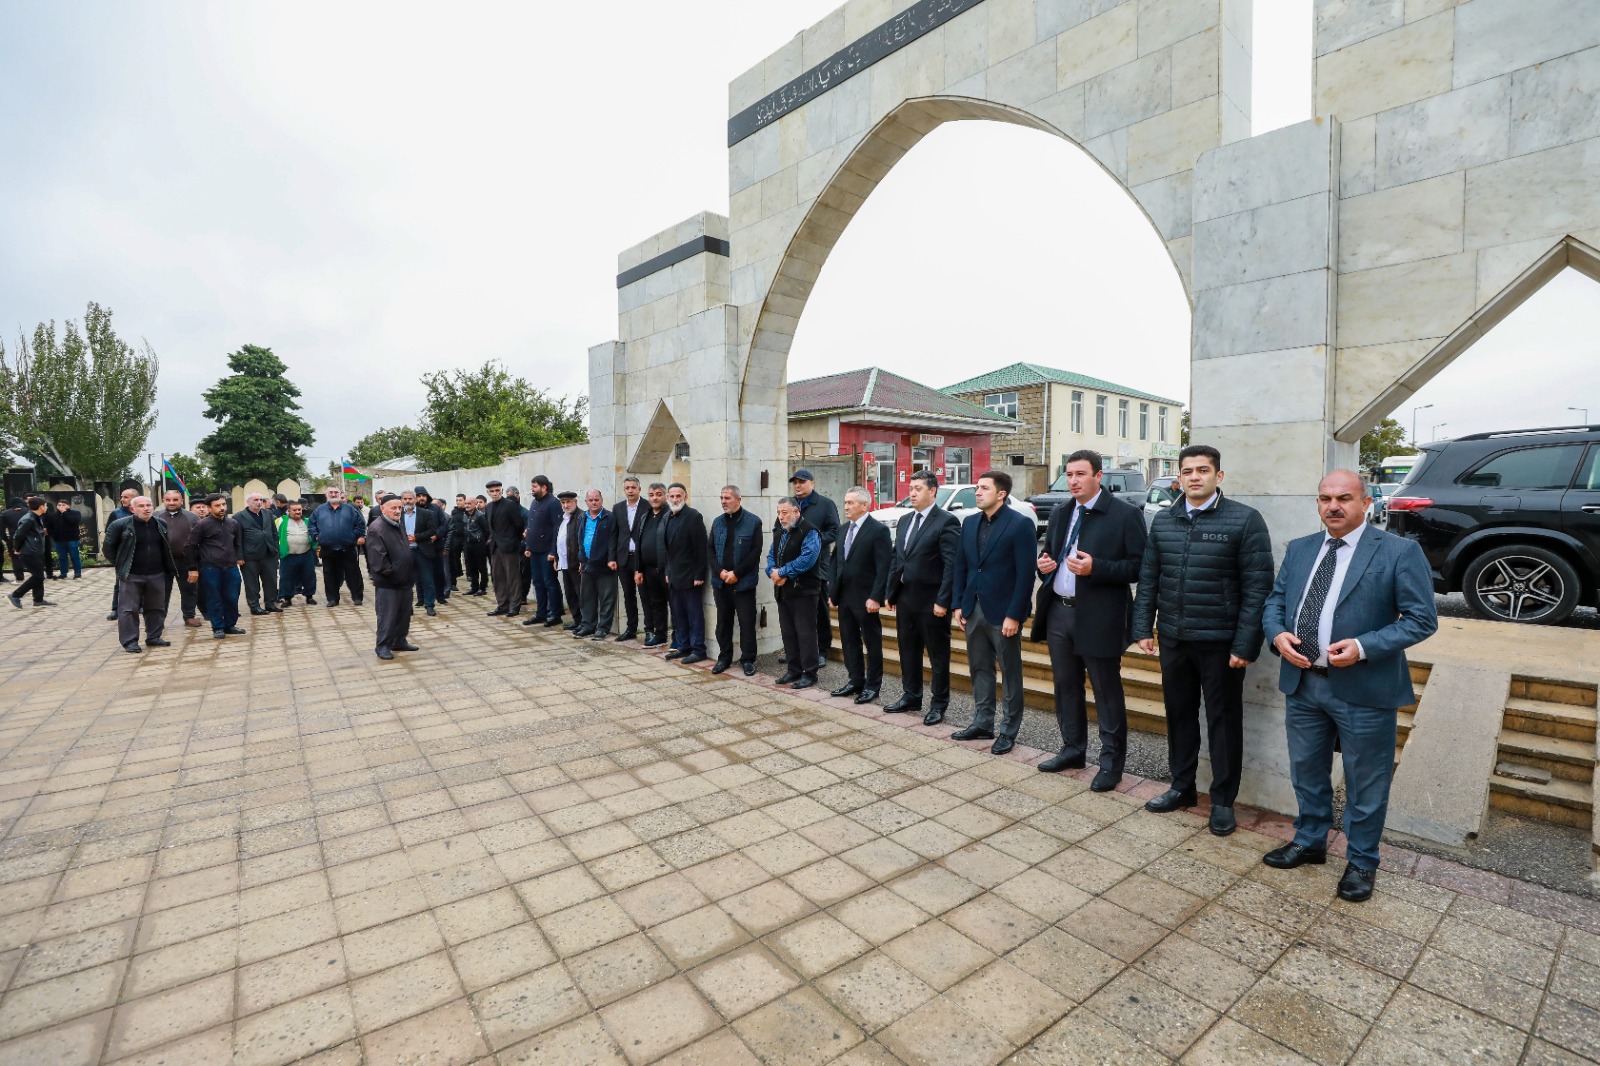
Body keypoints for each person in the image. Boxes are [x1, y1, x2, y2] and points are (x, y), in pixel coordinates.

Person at [1261, 471, 1438, 901]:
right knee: (1307, 772)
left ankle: (1362, 862)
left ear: (1365, 503)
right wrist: (1278, 635)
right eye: (1325, 498)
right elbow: (1276, 602)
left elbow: (1422, 619)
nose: (1333, 506)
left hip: (1365, 688)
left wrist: (1362, 646)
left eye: (1344, 498)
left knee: (1366, 783)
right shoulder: (1301, 549)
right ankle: (1310, 841)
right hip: (1304, 683)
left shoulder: (1398, 552)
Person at [1132, 444, 1275, 837]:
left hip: (1220, 643)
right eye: (1187, 471)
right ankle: (1182, 787)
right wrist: (1142, 627)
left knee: (1223, 722)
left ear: (1218, 476)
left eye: (1203, 470)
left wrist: (1245, 645)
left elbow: (1258, 588)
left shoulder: (1244, 520)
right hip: (1174, 639)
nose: (1194, 477)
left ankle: (1223, 801)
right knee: (1179, 715)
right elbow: (1149, 577)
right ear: (1178, 477)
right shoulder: (1164, 521)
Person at [1032, 450, 1148, 790]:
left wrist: (1097, 567)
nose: (1073, 481)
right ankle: (1073, 750)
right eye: (1069, 474)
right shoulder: (1061, 512)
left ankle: (1111, 764)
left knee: (1105, 691)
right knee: (1065, 686)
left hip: (1100, 616)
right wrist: (1044, 566)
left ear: (1099, 476)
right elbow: (1052, 554)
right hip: (1059, 612)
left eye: (1080, 474)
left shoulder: (1125, 514)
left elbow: (1140, 567)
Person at [949, 471, 1037, 754]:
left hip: (1003, 613)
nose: (977, 492)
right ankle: (982, 722)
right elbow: (961, 566)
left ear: (1001, 494)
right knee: (979, 668)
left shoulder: (1020, 524)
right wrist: (958, 604)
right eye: (977, 487)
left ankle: (1008, 731)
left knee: (1010, 673)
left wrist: (1015, 614)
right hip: (973, 608)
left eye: (984, 488)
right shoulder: (970, 522)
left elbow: (1026, 574)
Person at [885, 471, 960, 725]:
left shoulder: (946, 521)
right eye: (911, 489)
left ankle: (938, 704)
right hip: (906, 598)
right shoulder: (905, 520)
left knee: (938, 656)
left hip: (932, 601)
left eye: (918, 488)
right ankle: (911, 695)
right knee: (908, 650)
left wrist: (943, 600)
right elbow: (897, 558)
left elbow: (951, 565)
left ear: (933, 491)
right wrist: (890, 592)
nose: (912, 493)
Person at [829, 486, 892, 704]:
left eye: (851, 503)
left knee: (872, 643)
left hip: (866, 599)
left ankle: (873, 686)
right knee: (848, 641)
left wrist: (876, 596)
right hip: (845, 597)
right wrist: (833, 592)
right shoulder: (843, 529)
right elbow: (836, 562)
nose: (846, 506)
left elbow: (883, 567)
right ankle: (855, 680)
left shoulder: (878, 531)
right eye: (845, 502)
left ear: (865, 506)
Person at [102, 495, 177, 652]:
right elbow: (108, 548)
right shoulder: (120, 525)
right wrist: (121, 564)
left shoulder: (160, 524)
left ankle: (154, 637)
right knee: (128, 609)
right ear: (132, 509)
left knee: (156, 607)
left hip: (156, 574)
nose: (146, 509)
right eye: (141, 506)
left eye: (148, 505)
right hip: (131, 575)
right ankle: (130, 641)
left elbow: (165, 547)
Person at [767, 496, 822, 689]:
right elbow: (771, 555)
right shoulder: (780, 531)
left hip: (804, 591)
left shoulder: (810, 531)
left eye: (784, 513)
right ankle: (793, 669)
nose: (781, 517)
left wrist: (782, 572)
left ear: (796, 512)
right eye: (778, 513)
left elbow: (808, 558)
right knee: (788, 632)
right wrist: (773, 573)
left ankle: (810, 673)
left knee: (806, 633)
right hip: (783, 590)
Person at [709, 484, 762, 676]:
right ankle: (724, 657)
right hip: (721, 583)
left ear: (739, 500)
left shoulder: (753, 522)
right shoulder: (717, 522)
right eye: (721, 498)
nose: (723, 502)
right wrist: (721, 572)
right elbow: (710, 551)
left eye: (727, 498)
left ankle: (748, 660)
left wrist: (736, 573)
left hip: (743, 583)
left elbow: (755, 552)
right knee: (723, 622)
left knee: (747, 623)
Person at [790, 470, 839, 671]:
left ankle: (822, 651)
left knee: (819, 610)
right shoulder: (790, 504)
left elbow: (834, 531)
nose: (797, 486)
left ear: (812, 483)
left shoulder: (825, 504)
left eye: (802, 482)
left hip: (818, 567)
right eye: (795, 482)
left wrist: (812, 542)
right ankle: (797, 651)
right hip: (793, 567)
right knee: (795, 611)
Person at [365, 493, 419, 660]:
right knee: (387, 616)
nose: (397, 511)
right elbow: (378, 560)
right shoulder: (376, 528)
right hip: (389, 583)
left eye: (399, 508)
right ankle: (382, 646)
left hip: (405, 581)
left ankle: (399, 641)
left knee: (403, 615)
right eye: (393, 508)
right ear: (383, 509)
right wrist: (393, 574)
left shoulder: (398, 524)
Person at [189, 493, 247, 639]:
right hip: (210, 568)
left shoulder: (233, 523)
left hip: (231, 567)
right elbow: (189, 546)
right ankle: (218, 627)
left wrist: (238, 557)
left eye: (223, 504)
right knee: (214, 598)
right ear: (209, 508)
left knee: (232, 597)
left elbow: (237, 543)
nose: (222, 508)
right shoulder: (202, 525)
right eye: (217, 505)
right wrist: (193, 568)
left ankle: (230, 625)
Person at [661, 483, 708, 662]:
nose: (675, 499)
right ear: (667, 498)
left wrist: (699, 575)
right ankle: (683, 646)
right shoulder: (667, 516)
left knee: (694, 615)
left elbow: (701, 548)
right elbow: (667, 549)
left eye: (678, 496)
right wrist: (667, 571)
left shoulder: (694, 517)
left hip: (690, 576)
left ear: (685, 497)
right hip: (673, 576)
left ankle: (698, 650)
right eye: (672, 496)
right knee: (678, 614)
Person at [308, 487, 366, 607]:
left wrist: (352, 536)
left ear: (340, 494)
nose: (333, 494)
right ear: (326, 494)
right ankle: (332, 599)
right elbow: (312, 525)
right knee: (329, 574)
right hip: (328, 548)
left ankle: (357, 597)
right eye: (331, 492)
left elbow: (360, 525)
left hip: (347, 547)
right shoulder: (319, 510)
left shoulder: (350, 509)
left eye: (336, 492)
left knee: (353, 573)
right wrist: (317, 537)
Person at [574, 489, 617, 640]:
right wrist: (581, 559)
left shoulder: (609, 517)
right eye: (591, 500)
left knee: (606, 599)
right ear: (586, 502)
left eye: (596, 499)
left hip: (605, 565)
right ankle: (588, 626)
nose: (594, 502)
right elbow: (580, 539)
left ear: (602, 500)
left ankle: (603, 629)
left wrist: (611, 559)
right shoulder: (582, 517)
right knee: (587, 598)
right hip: (587, 564)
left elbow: (613, 540)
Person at [609, 476, 647, 641]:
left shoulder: (647, 506)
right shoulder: (618, 508)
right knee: (628, 595)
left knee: (645, 595)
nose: (630, 490)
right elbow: (614, 534)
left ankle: (649, 629)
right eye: (627, 488)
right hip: (623, 558)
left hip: (641, 559)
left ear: (639, 489)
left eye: (633, 487)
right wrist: (612, 557)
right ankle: (631, 629)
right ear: (624, 490)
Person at [522, 475, 563, 625]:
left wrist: (553, 552)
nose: (532, 489)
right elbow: (530, 525)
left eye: (534, 487)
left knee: (549, 582)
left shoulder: (553, 503)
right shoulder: (534, 502)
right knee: (538, 582)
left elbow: (557, 528)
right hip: (535, 551)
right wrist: (528, 546)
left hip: (547, 551)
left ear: (544, 487)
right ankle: (541, 613)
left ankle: (555, 614)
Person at [157, 490, 202, 627]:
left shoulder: (192, 518)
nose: (171, 502)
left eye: (175, 500)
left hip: (185, 561)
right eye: (168, 500)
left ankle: (189, 616)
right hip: (162, 562)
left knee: (189, 589)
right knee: (161, 592)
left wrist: (195, 565)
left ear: (181, 501)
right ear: (163, 501)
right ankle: (159, 619)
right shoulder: (155, 516)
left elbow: (199, 541)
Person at [484, 480, 526, 617]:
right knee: (498, 577)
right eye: (492, 491)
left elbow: (519, 525)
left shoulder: (509, 504)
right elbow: (490, 527)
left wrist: (513, 540)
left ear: (501, 491)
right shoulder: (488, 507)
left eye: (497, 490)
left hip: (509, 546)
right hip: (495, 547)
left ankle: (515, 606)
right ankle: (502, 605)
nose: (495, 493)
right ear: (488, 493)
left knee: (513, 577)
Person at [236, 493, 282, 616]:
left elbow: (274, 532)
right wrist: (239, 556)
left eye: (261, 499)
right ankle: (254, 606)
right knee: (251, 583)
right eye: (256, 499)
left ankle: (270, 604)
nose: (259, 502)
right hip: (250, 556)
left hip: (269, 554)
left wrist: (275, 549)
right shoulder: (239, 517)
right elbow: (238, 539)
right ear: (248, 502)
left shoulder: (268, 514)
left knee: (271, 581)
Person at [637, 483, 670, 645]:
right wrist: (638, 569)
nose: (655, 498)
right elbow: (639, 543)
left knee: (674, 604)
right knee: (656, 603)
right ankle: (660, 635)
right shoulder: (646, 516)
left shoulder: (670, 515)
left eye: (658, 494)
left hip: (666, 570)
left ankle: (678, 638)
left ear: (665, 496)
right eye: (651, 495)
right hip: (649, 569)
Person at [7, 497, 54, 608]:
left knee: (39, 575)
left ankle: (38, 599)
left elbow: (32, 533)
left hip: (36, 550)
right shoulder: (29, 519)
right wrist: (17, 549)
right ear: (41, 507)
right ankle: (15, 595)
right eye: (45, 505)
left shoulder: (36, 517)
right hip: (29, 552)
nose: (46, 507)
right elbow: (18, 535)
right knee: (38, 577)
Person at [405, 488, 442, 616]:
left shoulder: (426, 513)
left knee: (427, 580)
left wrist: (417, 537)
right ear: (401, 500)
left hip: (422, 551)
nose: (408, 501)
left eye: (410, 498)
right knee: (407, 581)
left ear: (415, 499)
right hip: (405, 552)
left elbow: (432, 530)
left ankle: (429, 605)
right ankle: (407, 607)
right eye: (405, 499)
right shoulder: (398, 514)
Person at [550, 491, 582, 630]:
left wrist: (582, 560)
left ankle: (585, 622)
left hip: (576, 563)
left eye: (568, 502)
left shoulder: (581, 517)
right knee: (570, 594)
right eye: (563, 502)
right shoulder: (561, 518)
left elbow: (582, 541)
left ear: (575, 502)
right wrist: (556, 558)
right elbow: (558, 539)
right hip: (564, 562)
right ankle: (577, 620)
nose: (566, 505)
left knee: (580, 593)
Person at [276, 500, 318, 605]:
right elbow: (274, 534)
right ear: (289, 511)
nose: (298, 512)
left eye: (299, 509)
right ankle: (287, 599)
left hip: (306, 554)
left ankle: (309, 596)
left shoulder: (308, 521)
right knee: (286, 577)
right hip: (288, 555)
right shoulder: (281, 521)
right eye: (295, 510)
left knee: (309, 576)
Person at [105, 487, 137, 619]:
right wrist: (115, 558)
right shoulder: (116, 514)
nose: (122, 499)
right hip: (123, 553)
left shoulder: (142, 511)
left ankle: (140, 605)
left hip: (139, 553)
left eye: (126, 497)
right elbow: (109, 534)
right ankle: (116, 608)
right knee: (120, 582)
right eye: (122, 497)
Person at [45, 498, 83, 579]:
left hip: (72, 539)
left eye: (63, 505)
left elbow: (74, 521)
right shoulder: (53, 515)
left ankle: (77, 573)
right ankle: (63, 573)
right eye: (59, 505)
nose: (61, 507)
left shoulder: (75, 513)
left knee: (74, 556)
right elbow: (49, 527)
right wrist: (54, 535)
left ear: (68, 506)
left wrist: (64, 513)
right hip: (59, 540)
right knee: (62, 557)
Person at [463, 496, 491, 597]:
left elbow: (487, 530)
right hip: (468, 544)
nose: (467, 505)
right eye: (466, 503)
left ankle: (482, 588)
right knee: (472, 567)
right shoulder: (465, 515)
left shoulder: (480, 516)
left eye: (469, 503)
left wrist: (483, 542)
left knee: (481, 566)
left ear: (475, 504)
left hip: (479, 544)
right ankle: (474, 587)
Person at [446, 493, 468, 593]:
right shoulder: (454, 512)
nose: (458, 502)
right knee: (454, 558)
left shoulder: (468, 511)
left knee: (468, 557)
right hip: (456, 538)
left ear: (464, 501)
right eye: (457, 500)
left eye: (460, 500)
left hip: (466, 537)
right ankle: (453, 582)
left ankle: (470, 576)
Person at [0, 497, 24, 582]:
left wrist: (6, 539)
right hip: (28, 538)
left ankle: (19, 577)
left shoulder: (5, 513)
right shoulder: (28, 511)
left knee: (15, 557)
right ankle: (36, 575)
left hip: (13, 538)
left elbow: (2, 529)